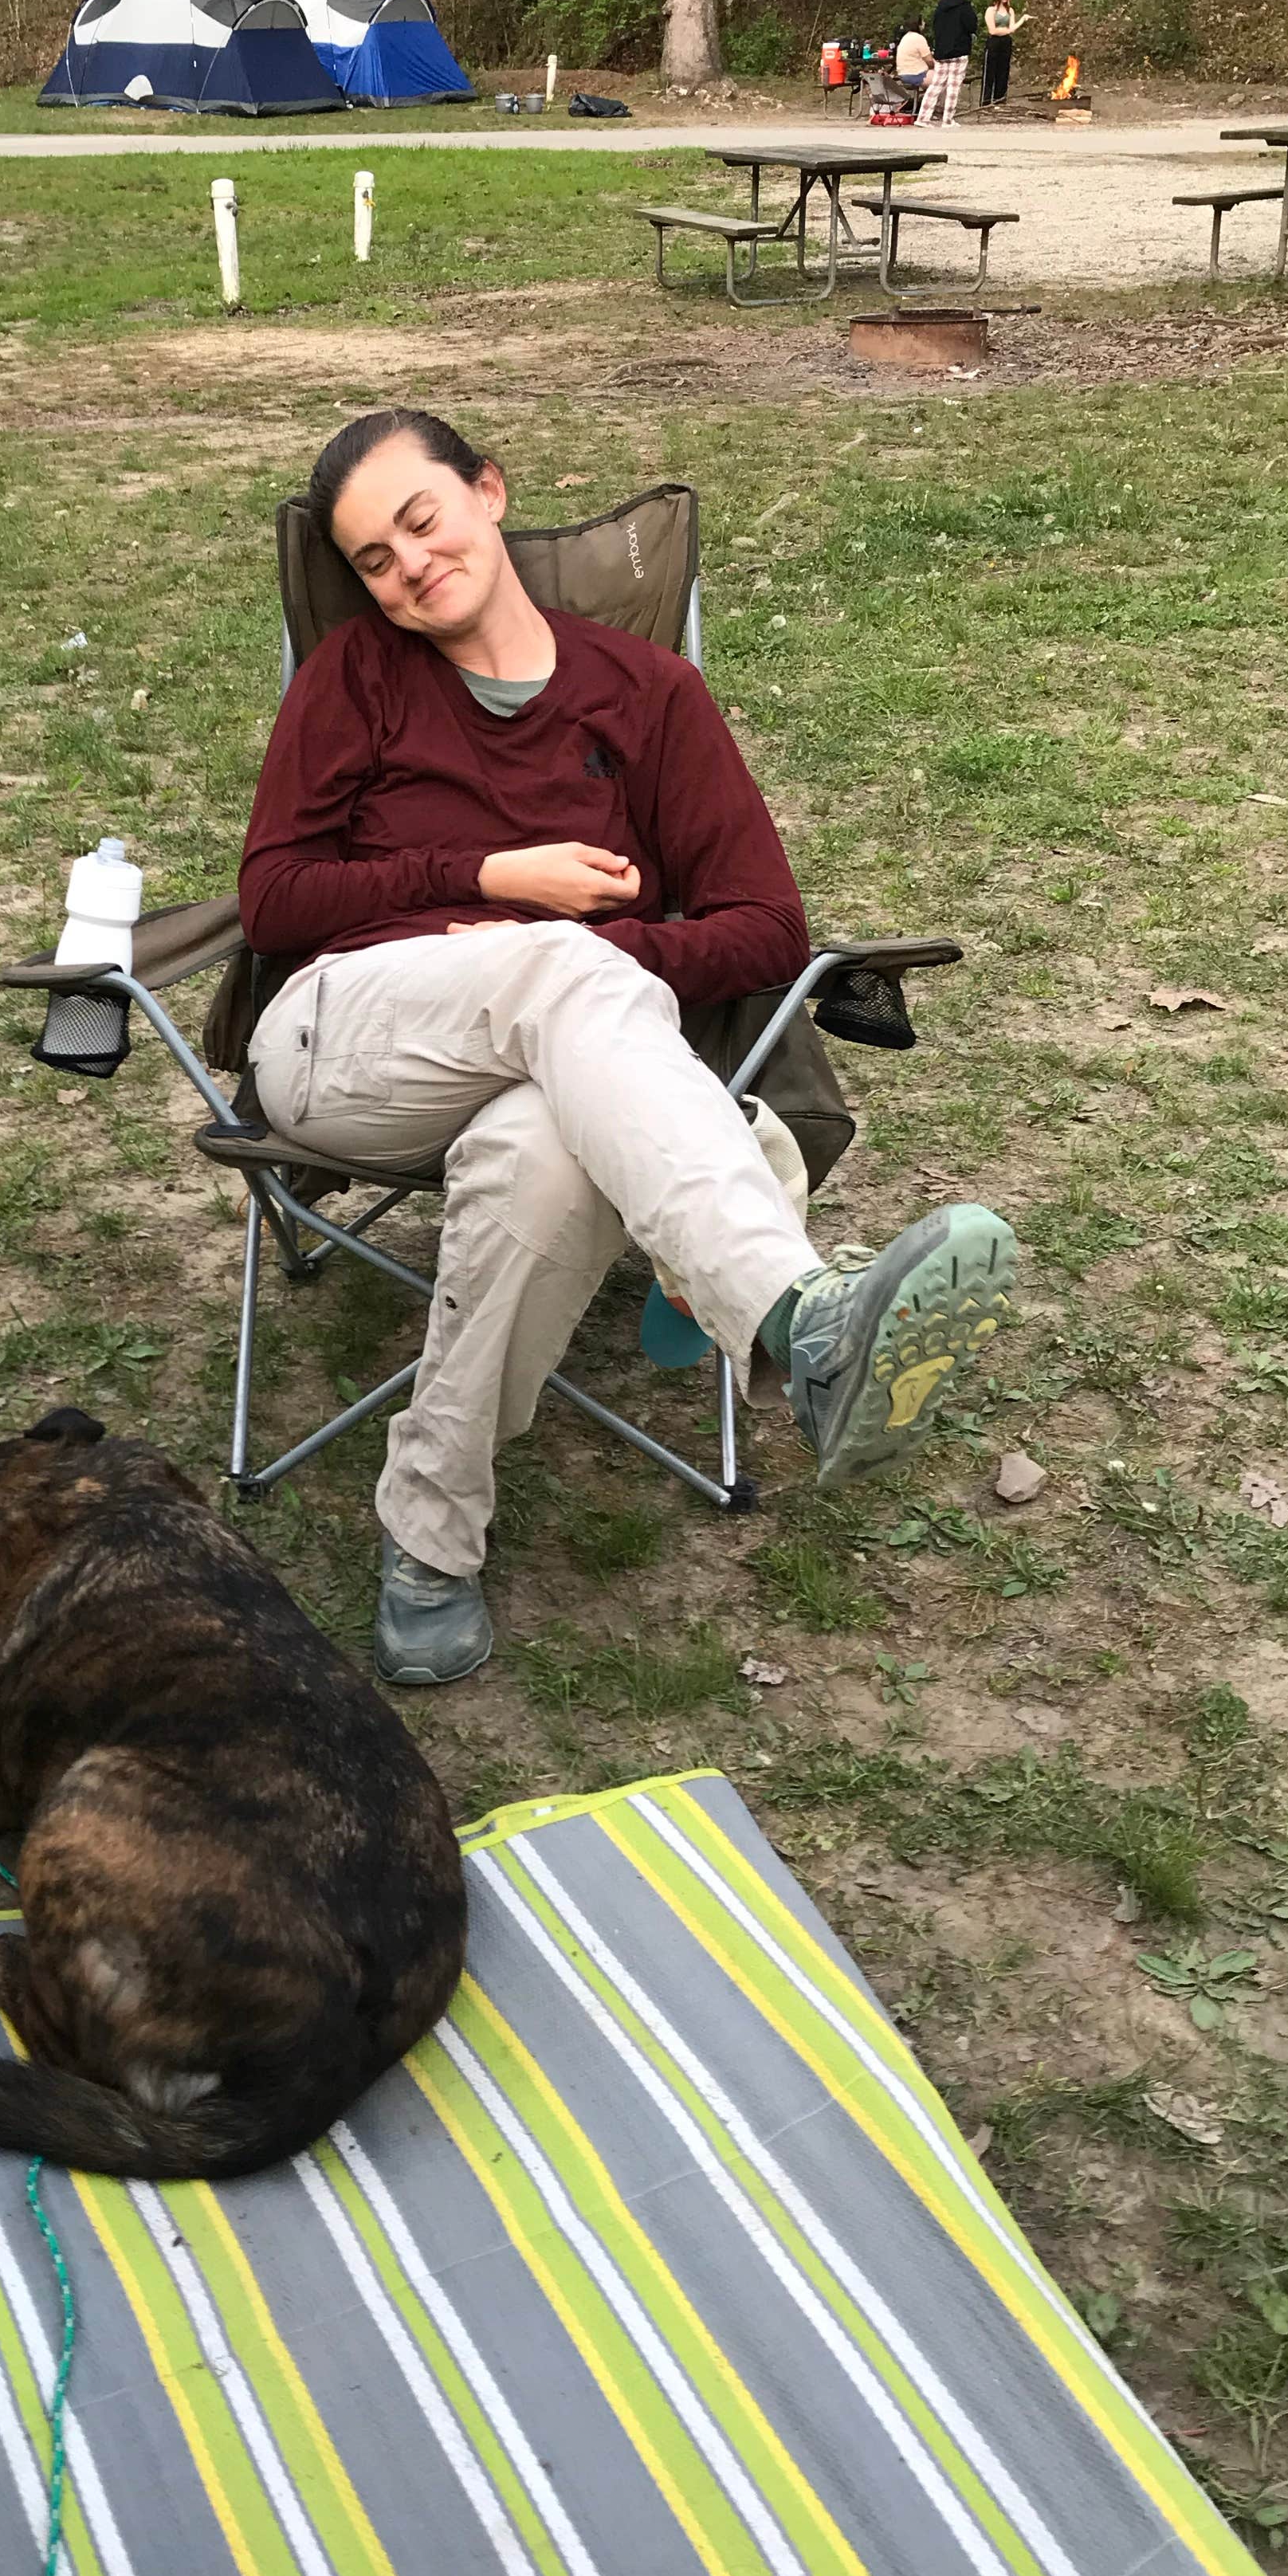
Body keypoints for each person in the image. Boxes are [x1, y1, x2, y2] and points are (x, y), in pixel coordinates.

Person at [238, 409, 1019, 1688]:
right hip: (348, 1038)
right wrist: (502, 880)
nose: (408, 569)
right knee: (557, 963)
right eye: (373, 560)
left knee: (551, 1148)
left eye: (421, 521)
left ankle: (427, 1544)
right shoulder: (356, 680)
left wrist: (602, 981)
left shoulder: (649, 695)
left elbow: (767, 926)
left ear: (488, 494)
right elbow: (271, 900)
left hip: (558, 1065)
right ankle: (791, 1315)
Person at [922, 0, 980, 124]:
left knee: (936, 84)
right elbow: (972, 26)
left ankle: (923, 117)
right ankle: (947, 119)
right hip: (959, 50)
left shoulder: (940, 7)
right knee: (953, 85)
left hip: (942, 51)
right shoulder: (965, 6)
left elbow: (935, 27)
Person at [980, 0, 1027, 110]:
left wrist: (1021, 21)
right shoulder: (991, 10)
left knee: (1003, 71)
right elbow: (992, 30)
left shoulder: (1010, 11)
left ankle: (999, 100)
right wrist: (1005, 30)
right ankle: (985, 102)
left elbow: (1012, 28)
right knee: (990, 71)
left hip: (1006, 43)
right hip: (993, 42)